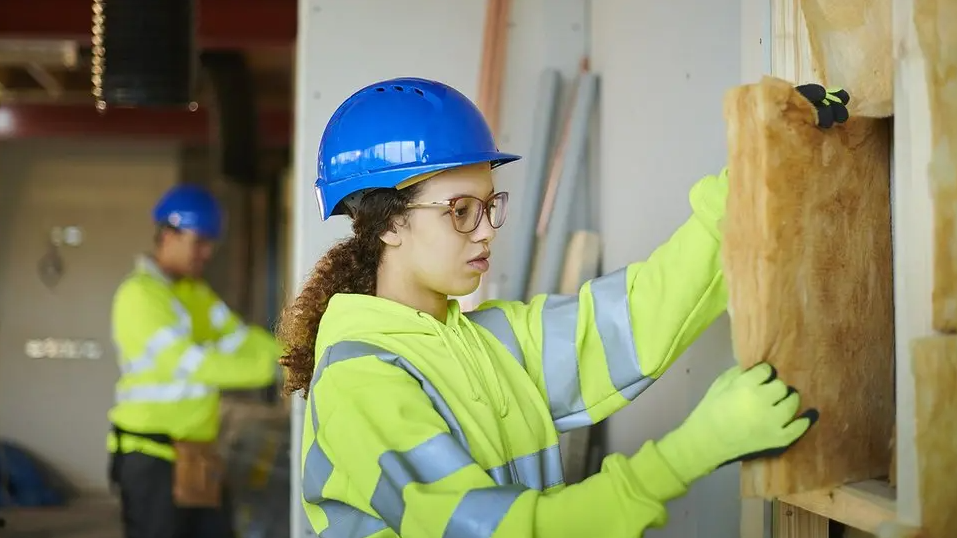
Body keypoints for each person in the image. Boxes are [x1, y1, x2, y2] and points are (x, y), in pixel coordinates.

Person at [278, 77, 848, 538]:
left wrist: (747, 185)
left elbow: (638, 316)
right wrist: (691, 451)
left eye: (489, 205)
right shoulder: (360, 378)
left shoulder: (489, 342)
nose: (486, 233)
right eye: (459, 211)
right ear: (387, 224)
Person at [107, 183, 282, 538]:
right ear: (167, 235)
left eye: (210, 244)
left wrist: (293, 352)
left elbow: (240, 338)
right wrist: (277, 369)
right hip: (151, 458)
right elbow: (192, 364)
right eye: (198, 242)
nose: (206, 253)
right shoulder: (139, 296)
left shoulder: (194, 293)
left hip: (195, 455)